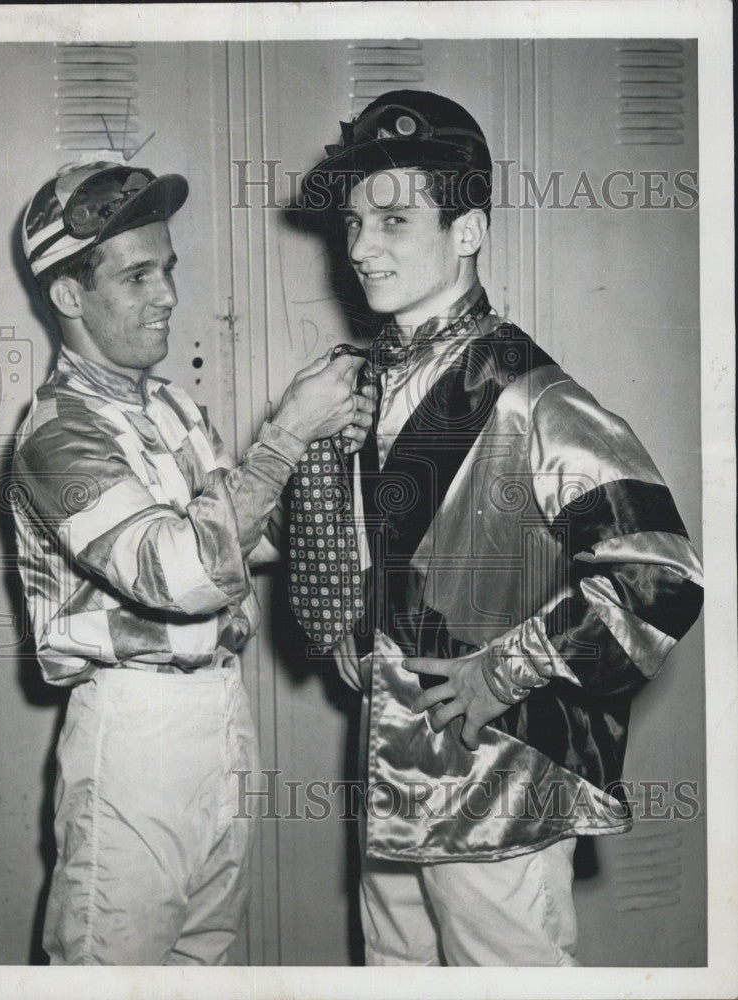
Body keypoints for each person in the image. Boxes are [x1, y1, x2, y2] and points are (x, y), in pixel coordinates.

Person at [297, 91, 704, 966]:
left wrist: (504, 669)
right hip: (393, 771)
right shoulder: (360, 380)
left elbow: (660, 575)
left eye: (395, 220)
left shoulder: (530, 395)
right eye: (354, 222)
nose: (361, 247)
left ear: (468, 231)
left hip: (497, 786)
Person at [12, 160, 374, 965]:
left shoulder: (168, 403)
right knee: (112, 968)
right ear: (69, 296)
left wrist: (325, 454)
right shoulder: (55, 438)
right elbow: (180, 574)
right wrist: (283, 437)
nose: (168, 294)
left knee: (201, 961)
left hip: (219, 708)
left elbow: (243, 540)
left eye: (166, 270)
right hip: (136, 729)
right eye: (137, 275)